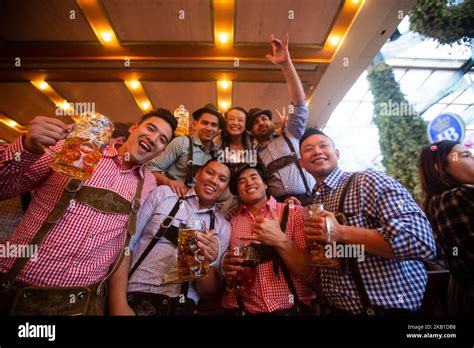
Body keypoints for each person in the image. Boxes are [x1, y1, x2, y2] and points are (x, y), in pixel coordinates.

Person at [0, 108, 177, 315]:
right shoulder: (78, 149)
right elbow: (4, 188)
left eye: (162, 139)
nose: (153, 138)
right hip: (19, 290)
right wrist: (28, 147)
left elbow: (123, 243)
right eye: (151, 128)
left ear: (162, 150)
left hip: (86, 301)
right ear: (134, 128)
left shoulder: (147, 183)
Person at [299, 128, 436, 315]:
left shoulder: (368, 181)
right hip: (338, 309)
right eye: (308, 149)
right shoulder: (314, 203)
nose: (317, 151)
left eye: (323, 145)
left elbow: (420, 242)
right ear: (301, 163)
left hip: (390, 309)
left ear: (337, 153)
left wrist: (340, 232)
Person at [108, 159, 231, 315]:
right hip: (136, 293)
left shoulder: (222, 226)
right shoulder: (165, 194)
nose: (213, 180)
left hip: (181, 304)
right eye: (210, 172)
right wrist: (118, 303)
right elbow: (126, 244)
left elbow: (208, 294)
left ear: (226, 188)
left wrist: (204, 263)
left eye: (222, 179)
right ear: (198, 174)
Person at [221, 163, 315, 315]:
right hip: (241, 310)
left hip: (292, 309)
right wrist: (225, 266)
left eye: (253, 177)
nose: (249, 182)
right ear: (237, 192)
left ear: (265, 184)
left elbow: (311, 274)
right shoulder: (230, 222)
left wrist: (281, 240)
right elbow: (224, 269)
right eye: (242, 181)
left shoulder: (294, 212)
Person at [248, 33, 315, 206]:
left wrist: (286, 64)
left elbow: (299, 104)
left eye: (264, 119)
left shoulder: (291, 134)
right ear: (250, 131)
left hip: (310, 203)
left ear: (271, 122)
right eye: (255, 123)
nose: (261, 123)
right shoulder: (253, 156)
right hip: (278, 210)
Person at [419, 140, 473, 315]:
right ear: (438, 168)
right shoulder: (454, 198)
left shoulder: (436, 201)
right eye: (465, 155)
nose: (472, 158)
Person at [148, 104, 225, 197]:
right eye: (205, 123)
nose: (209, 128)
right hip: (169, 198)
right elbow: (150, 167)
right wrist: (169, 182)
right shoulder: (182, 142)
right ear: (196, 124)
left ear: (218, 130)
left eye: (213, 125)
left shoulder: (216, 154)